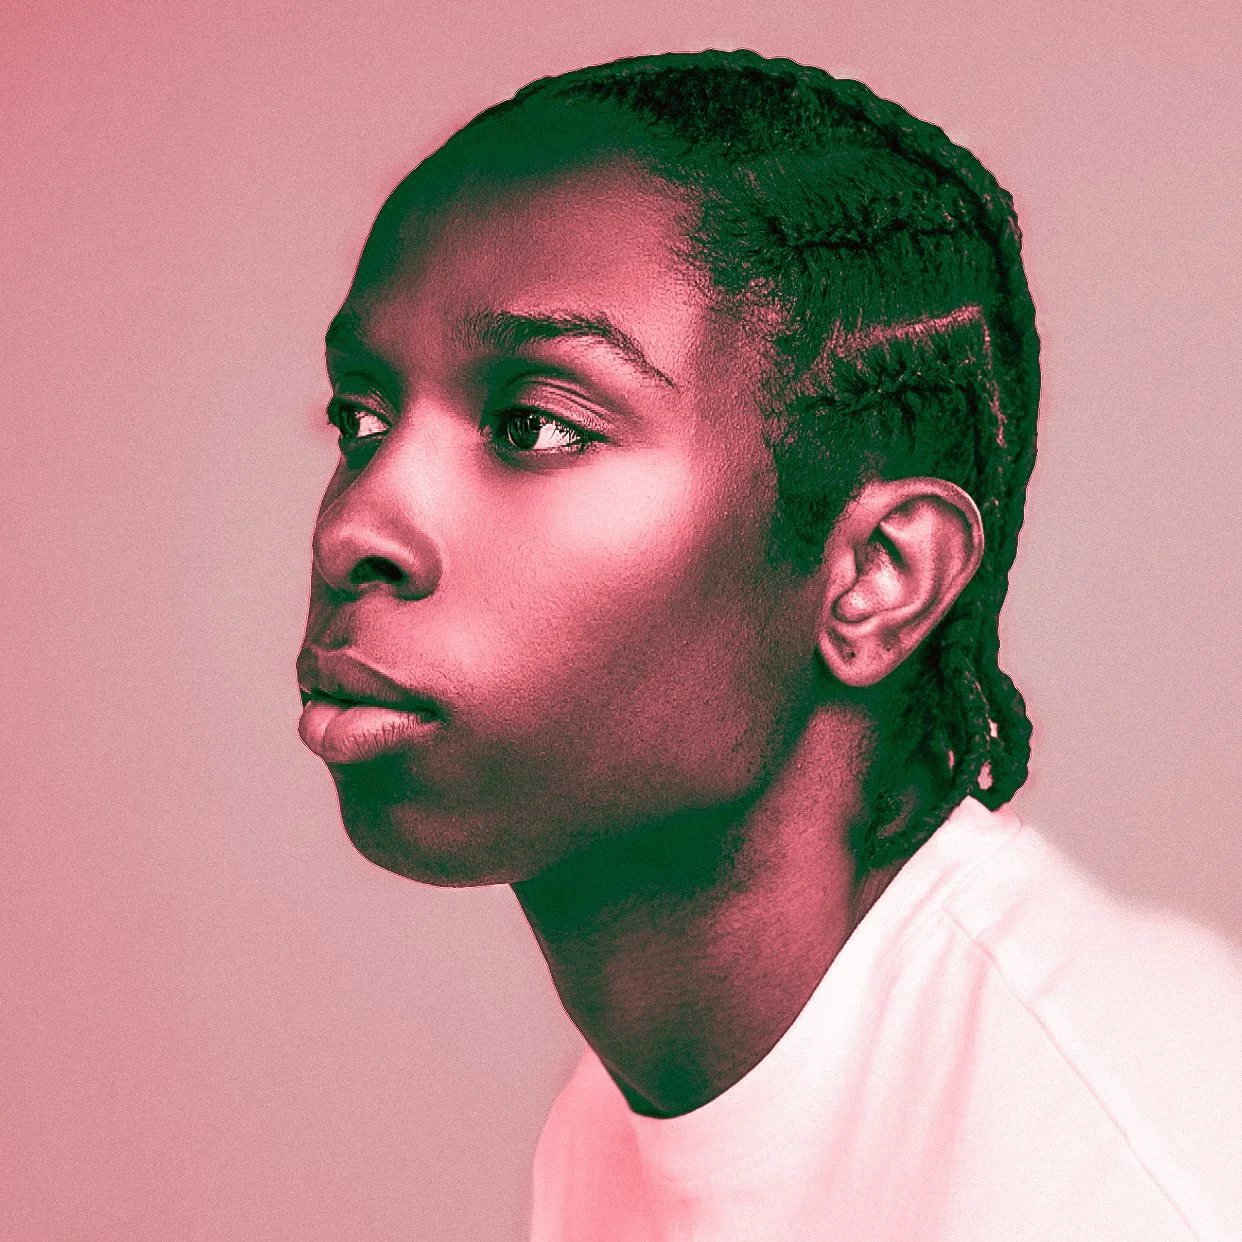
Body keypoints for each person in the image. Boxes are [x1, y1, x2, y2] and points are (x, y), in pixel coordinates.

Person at [296, 50, 1241, 1241]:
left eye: (534, 425)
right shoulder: (612, 1133)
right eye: (362, 419)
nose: (354, 529)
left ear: (874, 579)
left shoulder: (1127, 1178)